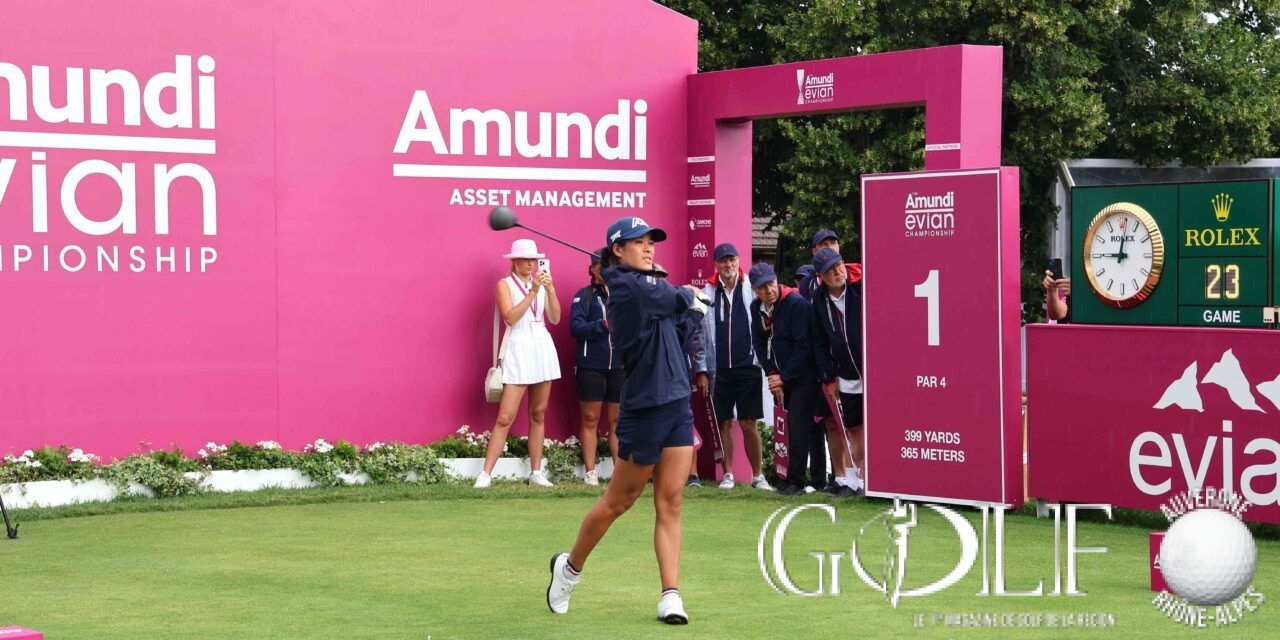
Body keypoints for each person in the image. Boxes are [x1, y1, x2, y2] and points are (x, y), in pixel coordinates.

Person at [547, 217, 709, 624]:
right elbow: (672, 298)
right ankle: (568, 569)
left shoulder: (651, 285)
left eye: (651, 241)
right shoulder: (623, 287)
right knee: (619, 501)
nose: (649, 247)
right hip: (642, 409)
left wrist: (693, 312)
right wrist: (687, 297)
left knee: (670, 502)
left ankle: (671, 596)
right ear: (617, 250)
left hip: (676, 404)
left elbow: (677, 325)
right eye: (638, 242)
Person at [474, 239, 562, 489]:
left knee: (538, 412)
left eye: (534, 260)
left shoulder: (542, 284)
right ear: (514, 261)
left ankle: (536, 471)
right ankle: (486, 474)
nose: (531, 264)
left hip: (542, 346)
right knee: (505, 416)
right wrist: (533, 291)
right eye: (526, 260)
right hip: (518, 348)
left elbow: (554, 318)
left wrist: (550, 289)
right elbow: (510, 318)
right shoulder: (504, 284)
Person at [691, 243, 772, 491]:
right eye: (723, 261)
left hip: (747, 366)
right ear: (715, 264)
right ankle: (728, 474)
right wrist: (702, 369)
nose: (728, 265)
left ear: (738, 261)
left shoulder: (751, 288)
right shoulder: (706, 292)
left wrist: (761, 360)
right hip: (719, 370)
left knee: (749, 423)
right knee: (723, 422)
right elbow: (700, 336)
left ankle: (758, 476)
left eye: (732, 260)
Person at [748, 263, 823, 496]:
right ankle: (797, 479)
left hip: (804, 376)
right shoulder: (756, 307)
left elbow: (804, 346)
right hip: (780, 377)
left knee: (798, 427)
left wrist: (783, 377)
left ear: (777, 280)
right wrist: (771, 373)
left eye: (770, 284)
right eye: (761, 287)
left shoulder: (796, 304)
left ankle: (797, 482)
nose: (768, 290)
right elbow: (759, 342)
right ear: (754, 290)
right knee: (790, 427)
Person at [810, 247, 865, 496]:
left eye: (839, 264)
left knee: (877, 424)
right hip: (845, 375)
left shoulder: (861, 288)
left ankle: (878, 476)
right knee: (852, 427)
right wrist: (828, 377)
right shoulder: (819, 300)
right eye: (831, 270)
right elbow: (819, 342)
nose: (838, 271)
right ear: (822, 276)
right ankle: (856, 480)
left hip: (873, 371)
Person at [569, 250, 624, 485]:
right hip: (590, 366)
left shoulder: (624, 294)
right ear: (591, 269)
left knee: (617, 421)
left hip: (620, 366)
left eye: (608, 266)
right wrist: (604, 325)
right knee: (590, 419)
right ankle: (590, 473)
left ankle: (620, 473)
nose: (604, 270)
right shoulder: (585, 296)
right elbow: (576, 328)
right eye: (600, 266)